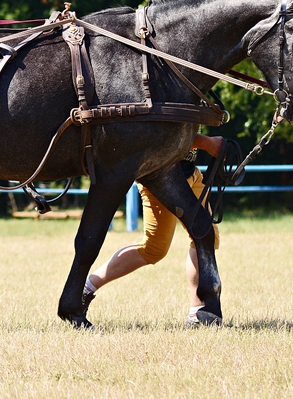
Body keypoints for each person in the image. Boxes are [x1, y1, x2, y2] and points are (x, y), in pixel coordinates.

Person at [82, 134, 224, 327]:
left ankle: (198, 312)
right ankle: (86, 288)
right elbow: (165, 131)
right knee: (154, 249)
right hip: (162, 182)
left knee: (206, 237)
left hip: (191, 175)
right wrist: (207, 143)